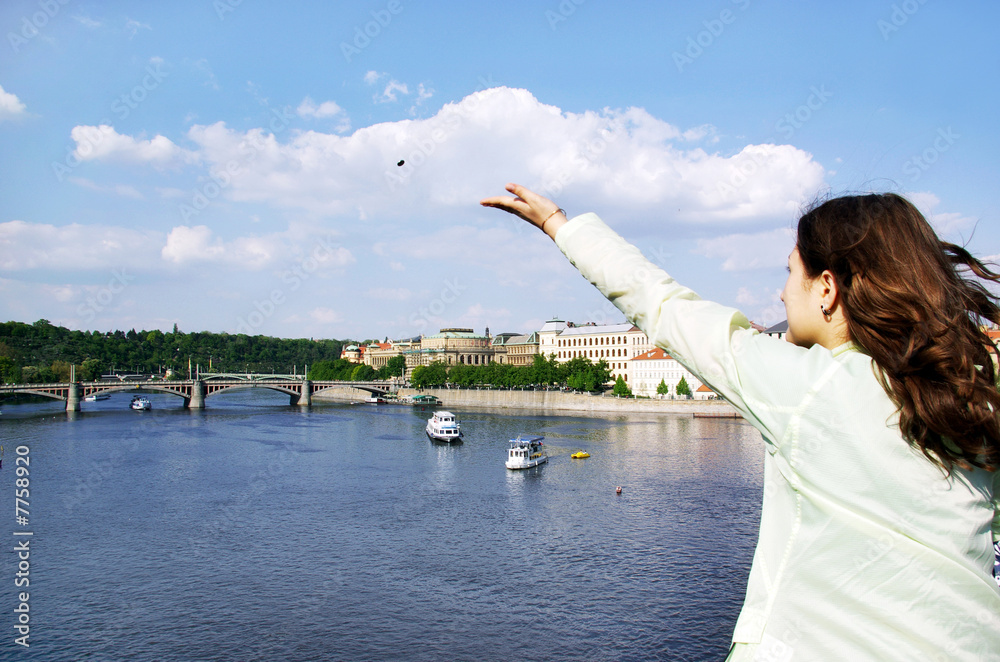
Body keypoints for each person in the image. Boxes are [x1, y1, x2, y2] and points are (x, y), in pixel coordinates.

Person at [481, 183, 1000, 660]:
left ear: (826, 288)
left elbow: (662, 304)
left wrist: (559, 225)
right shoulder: (973, 398)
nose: (781, 294)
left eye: (789, 273)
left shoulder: (805, 386)